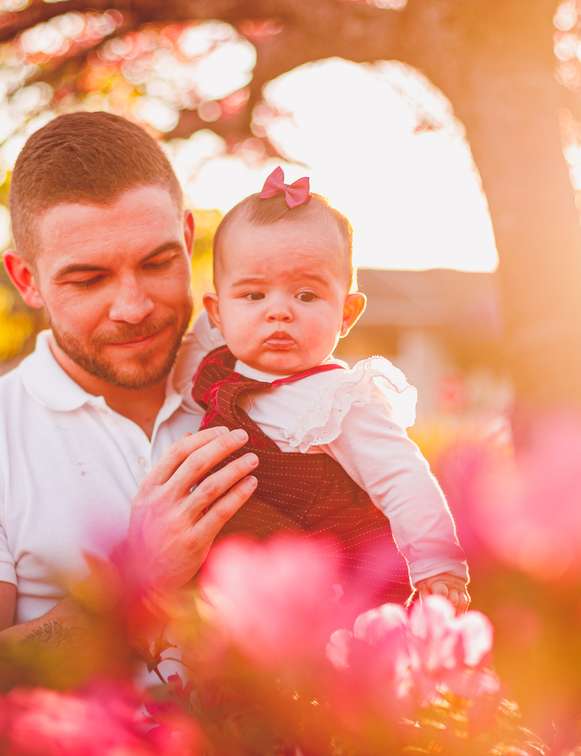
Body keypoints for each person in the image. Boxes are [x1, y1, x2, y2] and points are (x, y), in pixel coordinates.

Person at [0, 112, 260, 649]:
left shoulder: (268, 383)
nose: (133, 307)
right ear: (27, 279)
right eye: (89, 279)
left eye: (158, 263)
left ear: (186, 237)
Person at [173, 167, 470, 609]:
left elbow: (402, 477)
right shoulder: (215, 367)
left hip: (336, 583)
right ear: (216, 313)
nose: (279, 312)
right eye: (254, 296)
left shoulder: (340, 399)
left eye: (306, 296)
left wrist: (438, 564)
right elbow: (190, 349)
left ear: (347, 314)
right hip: (242, 590)